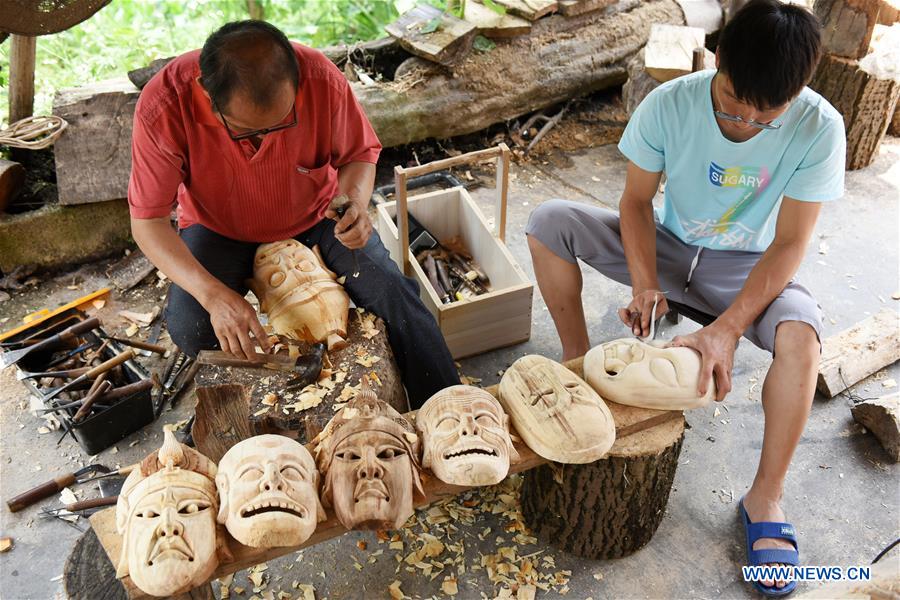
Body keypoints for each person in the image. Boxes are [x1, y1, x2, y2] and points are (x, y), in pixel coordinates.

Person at [525, 1, 844, 596]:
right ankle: (576, 362)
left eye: (765, 115)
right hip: (669, 243)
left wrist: (726, 328)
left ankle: (766, 498)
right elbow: (636, 204)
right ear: (716, 59)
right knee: (548, 222)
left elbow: (792, 242)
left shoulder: (819, 127)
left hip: (745, 265)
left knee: (801, 338)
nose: (745, 122)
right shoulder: (669, 103)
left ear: (800, 89)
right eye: (731, 101)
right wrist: (645, 281)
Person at [127, 20, 459, 408]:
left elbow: (357, 155)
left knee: (394, 294)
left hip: (316, 216)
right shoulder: (165, 105)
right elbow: (147, 223)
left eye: (281, 123)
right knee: (193, 325)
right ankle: (268, 422)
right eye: (244, 131)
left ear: (297, 79)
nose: (264, 140)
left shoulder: (321, 78)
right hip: (217, 225)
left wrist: (353, 202)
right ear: (206, 94)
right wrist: (214, 296)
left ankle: (446, 408)